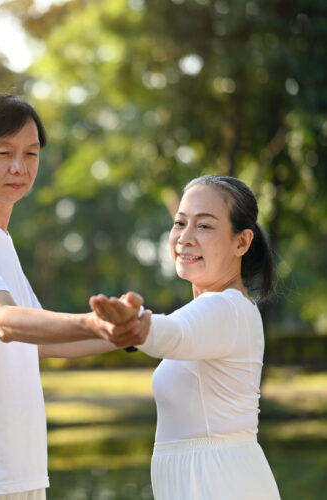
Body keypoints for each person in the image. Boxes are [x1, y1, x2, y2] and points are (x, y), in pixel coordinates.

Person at [0, 93, 150, 500]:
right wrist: (94, 321)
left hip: (20, 472)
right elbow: (3, 321)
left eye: (31, 153)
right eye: (3, 153)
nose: (20, 167)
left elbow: (38, 342)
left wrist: (136, 332)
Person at [42, 175, 281, 499]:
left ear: (242, 242)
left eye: (205, 226)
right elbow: (97, 338)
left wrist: (139, 326)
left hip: (222, 485)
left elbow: (171, 334)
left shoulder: (227, 309)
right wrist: (17, 339)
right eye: (180, 223)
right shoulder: (208, 312)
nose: (185, 237)